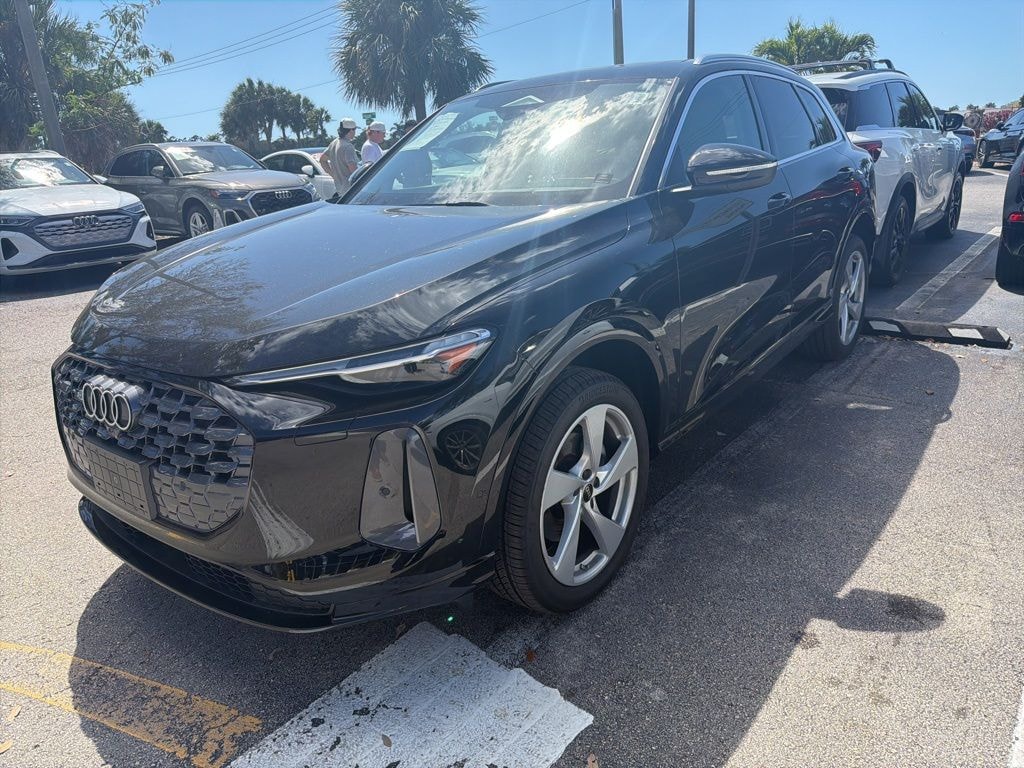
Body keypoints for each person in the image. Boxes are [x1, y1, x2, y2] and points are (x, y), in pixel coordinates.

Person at [320, 118, 359, 199]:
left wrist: (333, 175)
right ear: (351, 130)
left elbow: (322, 160)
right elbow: (355, 172)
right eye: (354, 129)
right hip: (351, 191)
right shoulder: (348, 147)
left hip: (339, 189)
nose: (355, 132)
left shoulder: (333, 143)